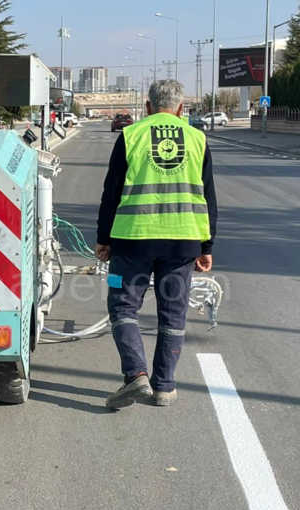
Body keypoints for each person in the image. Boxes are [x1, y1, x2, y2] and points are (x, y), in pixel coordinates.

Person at [95, 79, 218, 409]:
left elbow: (112, 193)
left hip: (133, 240)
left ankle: (136, 376)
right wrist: (206, 246)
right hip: (182, 242)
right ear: (180, 108)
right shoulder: (197, 139)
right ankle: (164, 387)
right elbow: (208, 197)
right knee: (173, 313)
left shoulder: (130, 136)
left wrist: (103, 239)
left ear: (147, 107)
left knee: (123, 306)